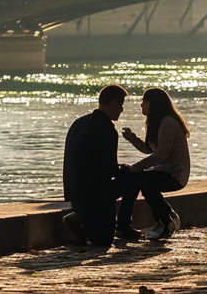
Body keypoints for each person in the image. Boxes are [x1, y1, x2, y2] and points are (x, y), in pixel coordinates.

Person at [62, 84, 131, 247]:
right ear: (114, 103)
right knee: (133, 177)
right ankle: (124, 225)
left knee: (100, 236)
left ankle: (80, 217)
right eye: (121, 105)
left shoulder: (79, 123)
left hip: (76, 192)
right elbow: (110, 168)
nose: (122, 110)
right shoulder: (107, 129)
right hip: (97, 193)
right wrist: (127, 170)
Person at [118, 88, 191, 240]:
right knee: (141, 180)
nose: (141, 105)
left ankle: (164, 221)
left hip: (175, 174)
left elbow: (161, 156)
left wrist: (138, 166)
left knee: (142, 180)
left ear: (152, 103)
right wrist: (132, 138)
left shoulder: (168, 122)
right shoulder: (156, 121)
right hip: (164, 170)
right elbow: (148, 149)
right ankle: (164, 217)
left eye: (144, 101)